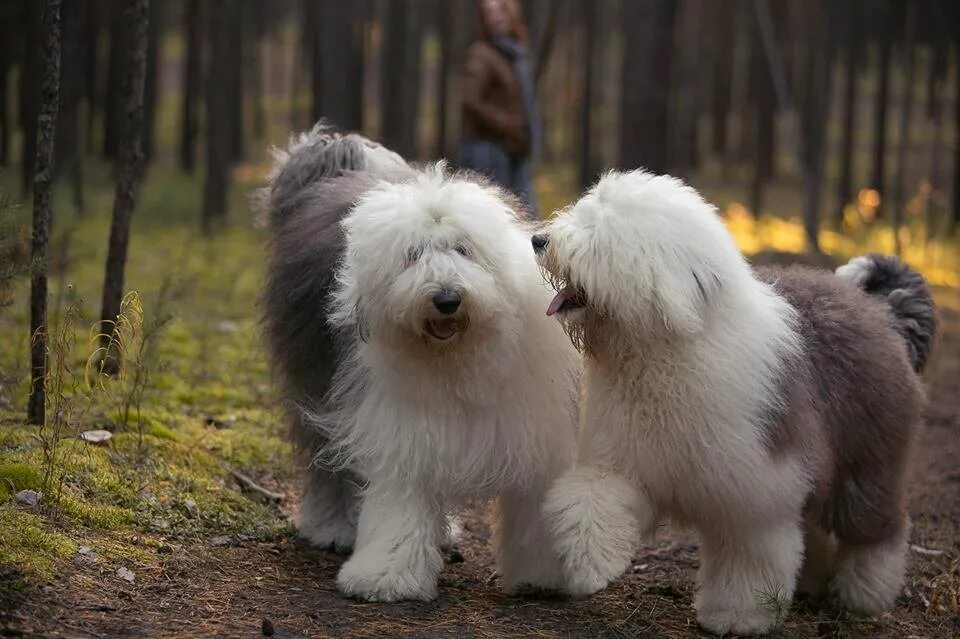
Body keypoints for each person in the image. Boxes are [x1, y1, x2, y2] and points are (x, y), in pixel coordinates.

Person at [459, 0, 541, 219]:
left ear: (513, 12)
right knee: (497, 221)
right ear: (483, 21)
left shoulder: (513, 55)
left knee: (523, 218)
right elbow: (469, 99)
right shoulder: (482, 53)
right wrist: (505, 123)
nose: (496, 17)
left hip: (511, 151)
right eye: (488, 13)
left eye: (501, 9)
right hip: (488, 154)